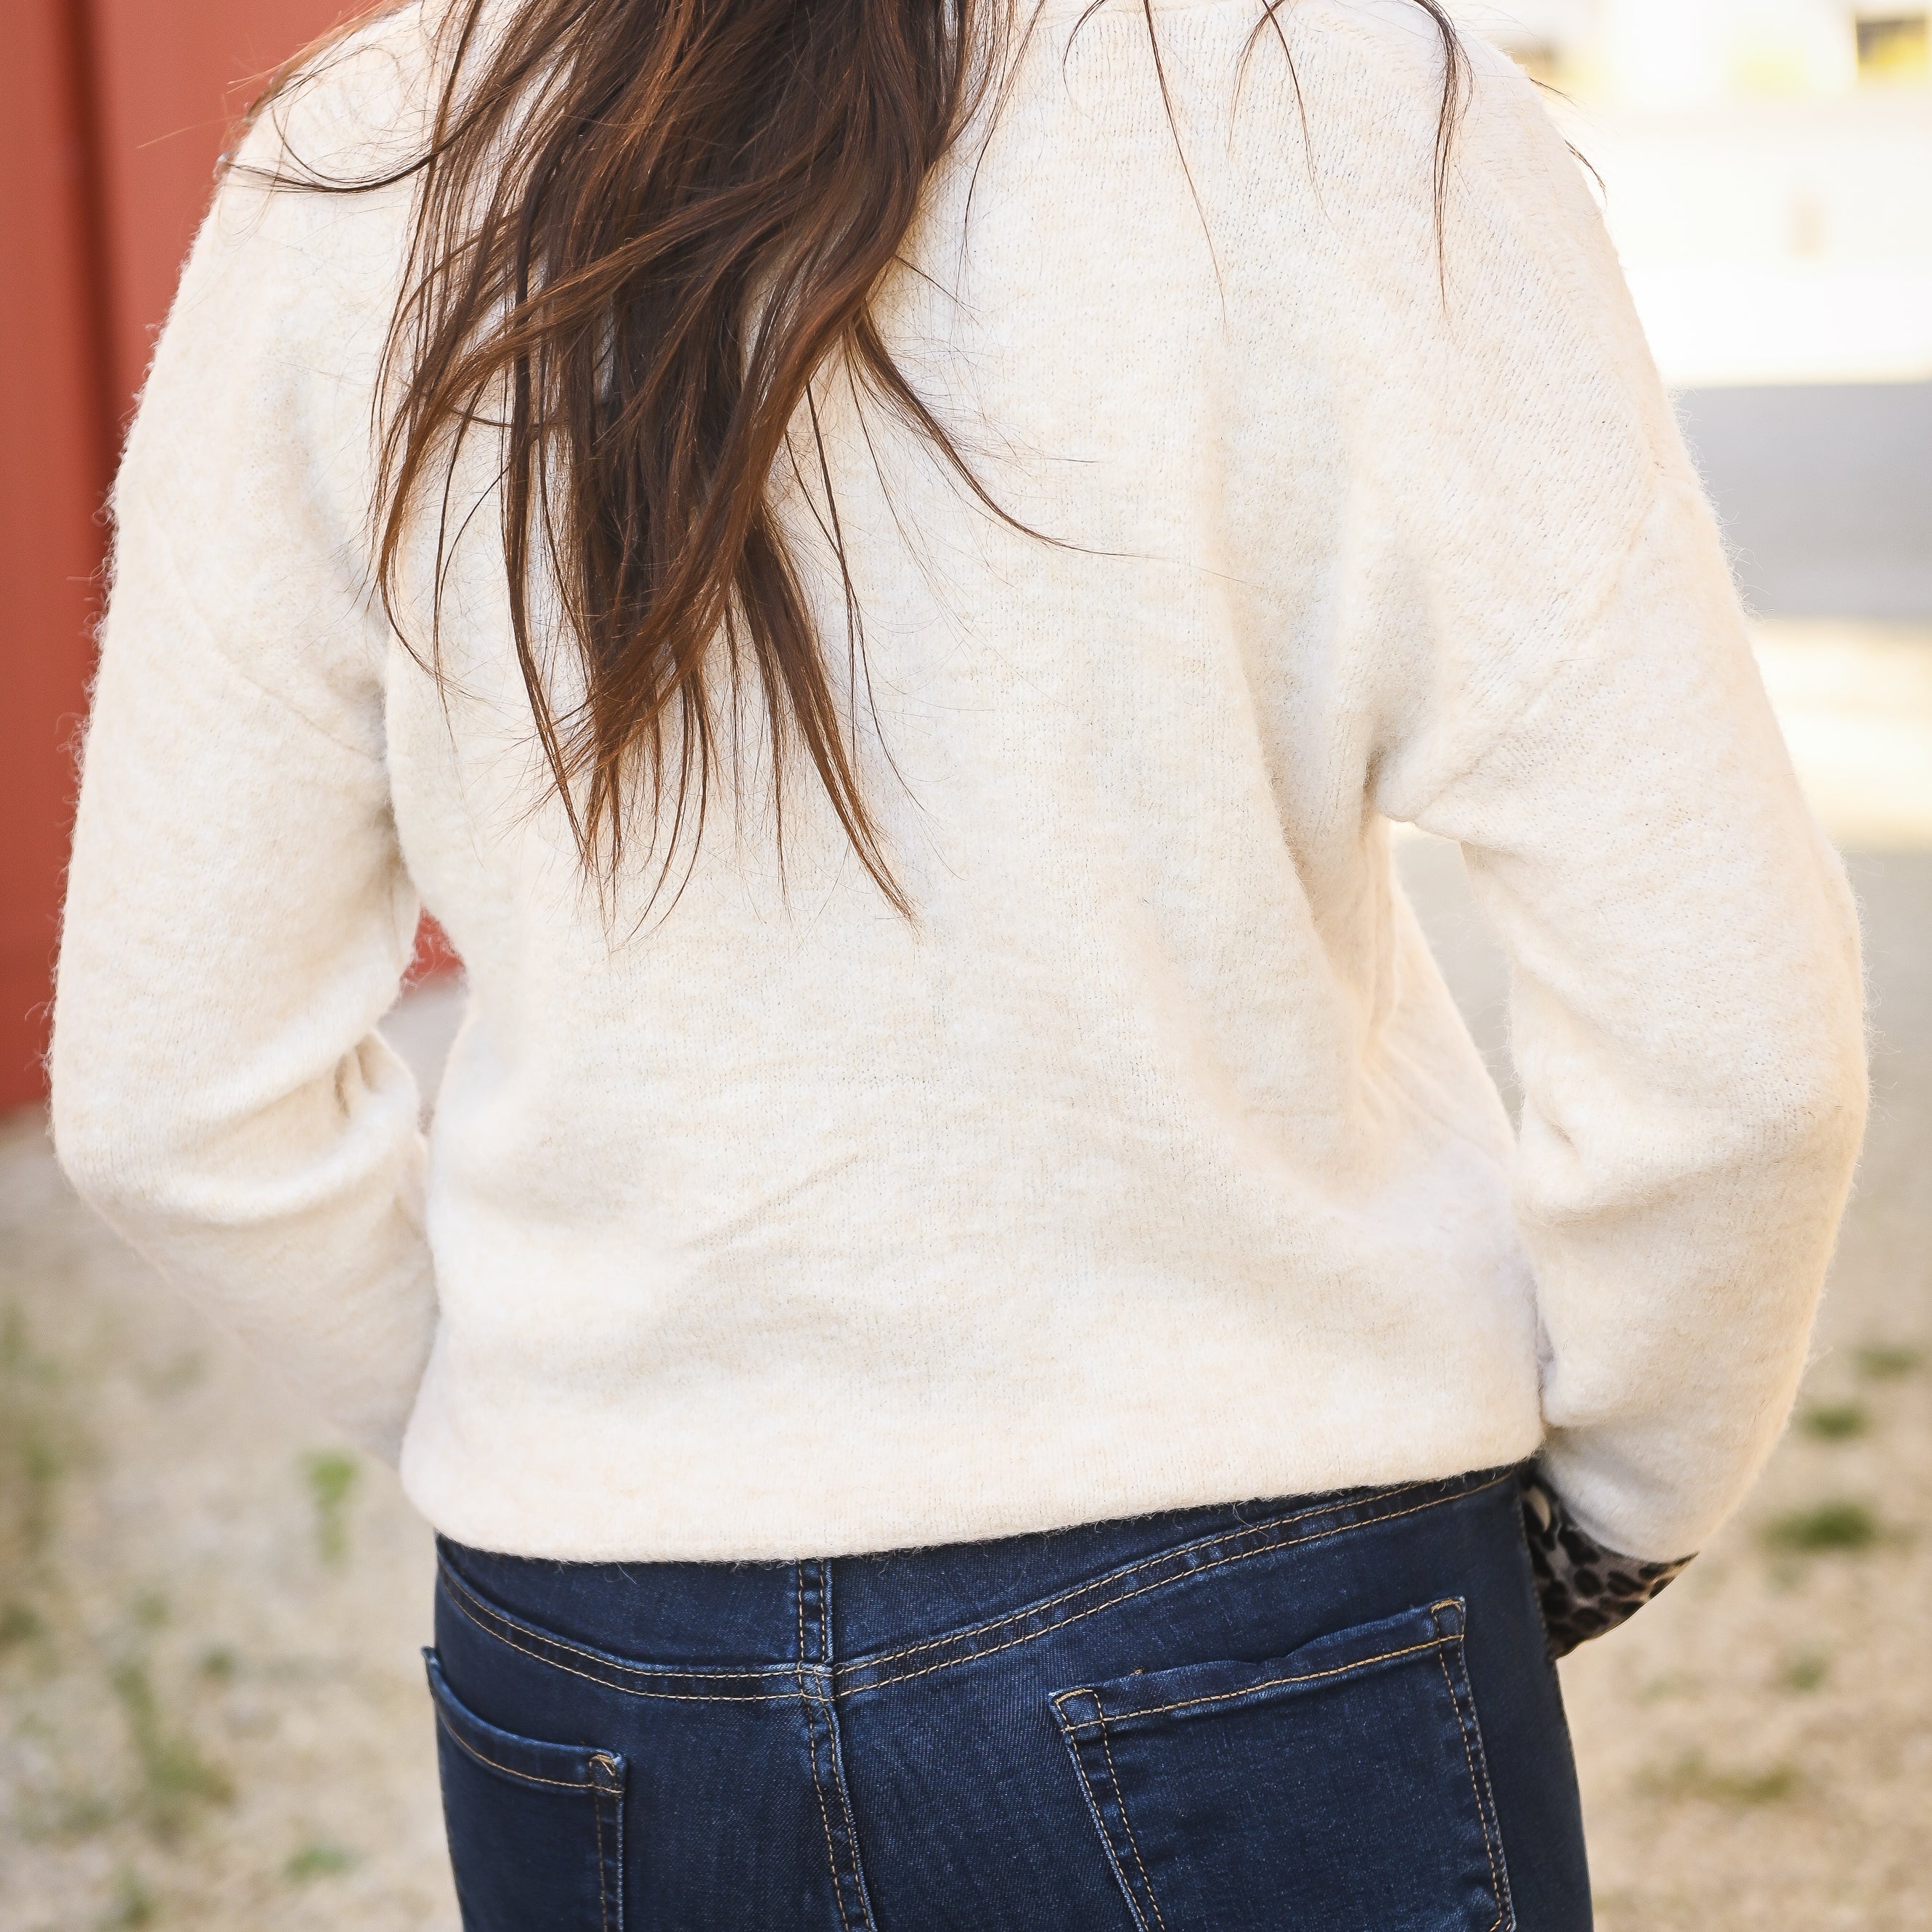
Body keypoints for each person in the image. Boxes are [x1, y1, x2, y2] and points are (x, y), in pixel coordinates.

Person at [50, 0, 1867, 1922]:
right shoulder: (1340, 112)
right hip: (1263, 1579)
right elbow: (1736, 1051)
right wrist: (1619, 1507)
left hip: (595, 1661)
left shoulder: (365, 165)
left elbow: (177, 1102)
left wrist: (562, 1414)